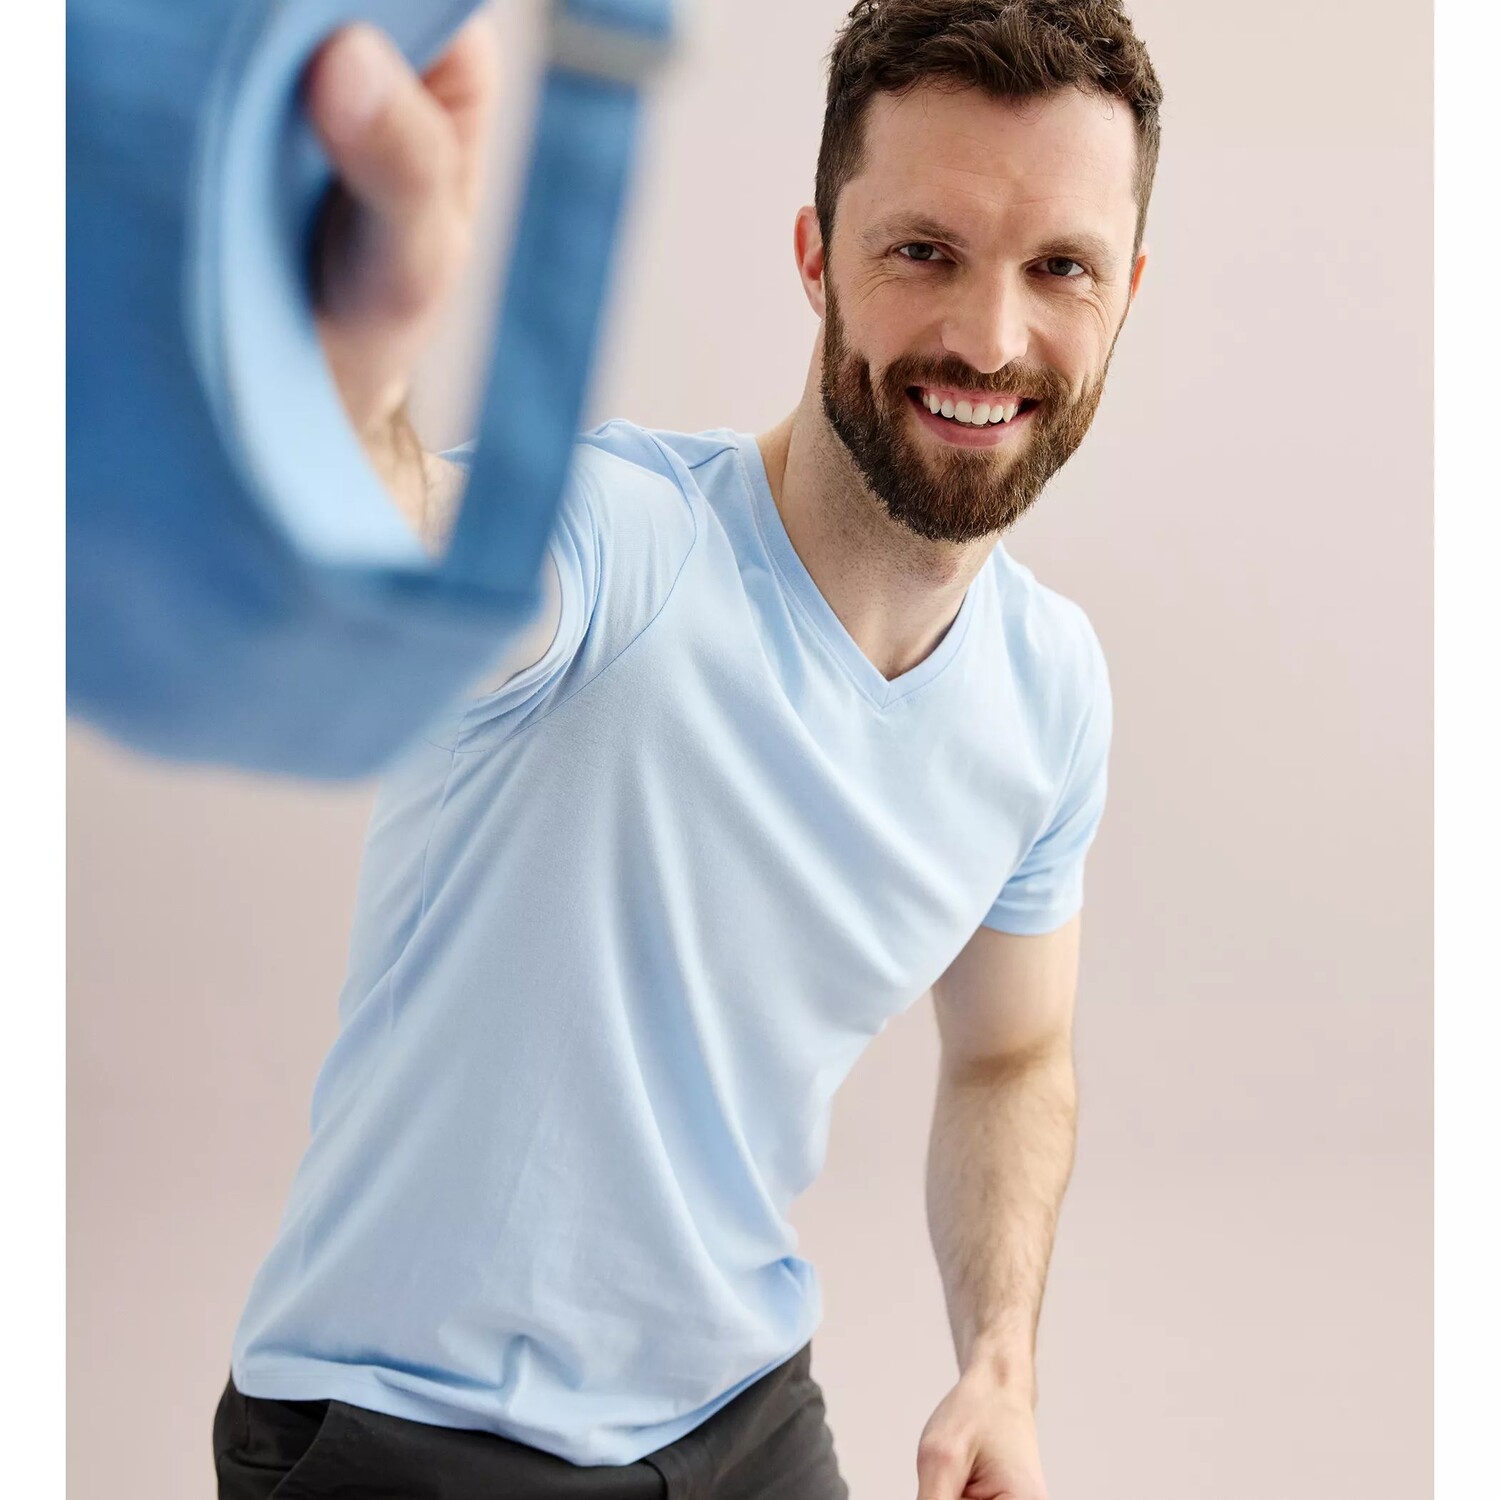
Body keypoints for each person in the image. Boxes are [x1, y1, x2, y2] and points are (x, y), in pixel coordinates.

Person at [211, 3, 1163, 1497]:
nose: (990, 337)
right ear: (816, 258)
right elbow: (417, 546)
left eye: (1060, 267)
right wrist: (351, 377)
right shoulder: (625, 548)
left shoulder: (1050, 693)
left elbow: (1011, 1050)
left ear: (1127, 290)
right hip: (406, 1429)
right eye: (924, 251)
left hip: (739, 1415)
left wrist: (1000, 1360)